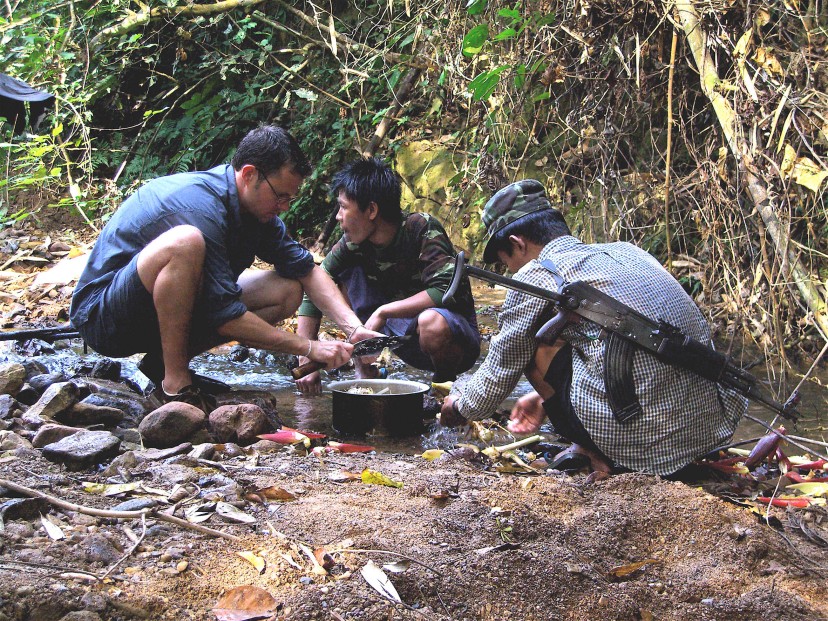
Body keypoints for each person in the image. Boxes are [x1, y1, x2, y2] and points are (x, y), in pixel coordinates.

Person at [440, 179, 747, 476]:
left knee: (531, 343)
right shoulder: (626, 251)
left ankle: (602, 453)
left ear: (517, 244)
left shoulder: (537, 274)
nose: (511, 271)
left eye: (507, 262)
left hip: (650, 443)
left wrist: (458, 405)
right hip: (710, 427)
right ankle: (594, 441)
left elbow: (498, 374)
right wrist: (544, 401)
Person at [70, 125, 377, 410]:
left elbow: (307, 270)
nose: (285, 206)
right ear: (249, 174)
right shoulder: (201, 208)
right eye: (281, 196)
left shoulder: (258, 213)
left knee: (286, 289)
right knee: (185, 242)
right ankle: (175, 385)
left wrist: (354, 328)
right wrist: (310, 347)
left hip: (158, 311)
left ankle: (164, 362)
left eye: (290, 198)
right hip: (107, 317)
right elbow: (227, 317)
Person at [295, 157, 481, 395]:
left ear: (371, 210)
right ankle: (365, 374)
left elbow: (443, 290)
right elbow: (315, 288)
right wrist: (306, 356)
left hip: (452, 340)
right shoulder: (353, 243)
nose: (338, 216)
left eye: (343, 207)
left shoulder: (420, 228)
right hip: (396, 339)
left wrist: (384, 312)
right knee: (336, 276)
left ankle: (443, 390)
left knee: (430, 322)